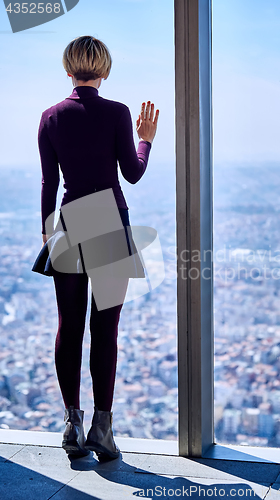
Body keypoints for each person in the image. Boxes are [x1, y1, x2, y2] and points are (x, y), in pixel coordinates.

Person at [37, 35, 159, 460]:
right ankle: (101, 430)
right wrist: (145, 139)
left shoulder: (50, 117)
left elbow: (49, 183)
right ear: (104, 71)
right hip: (108, 222)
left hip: (69, 224)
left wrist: (46, 231)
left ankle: (71, 425)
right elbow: (133, 173)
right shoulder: (118, 113)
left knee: (68, 328)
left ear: (67, 69)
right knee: (104, 330)